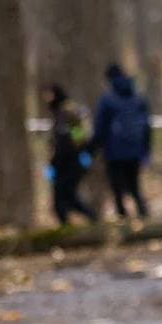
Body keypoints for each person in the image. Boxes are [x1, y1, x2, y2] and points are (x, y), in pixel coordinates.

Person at [92, 62, 153, 220]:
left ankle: (123, 218)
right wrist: (145, 151)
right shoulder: (139, 98)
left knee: (117, 187)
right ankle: (143, 215)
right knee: (134, 185)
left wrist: (94, 148)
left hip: (114, 152)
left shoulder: (107, 100)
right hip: (135, 150)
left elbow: (100, 128)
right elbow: (147, 127)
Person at [46, 86, 97, 225]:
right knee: (62, 200)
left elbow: (78, 139)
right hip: (61, 163)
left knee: (67, 197)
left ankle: (93, 220)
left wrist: (79, 154)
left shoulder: (68, 112)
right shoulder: (59, 114)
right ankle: (69, 227)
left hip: (70, 162)